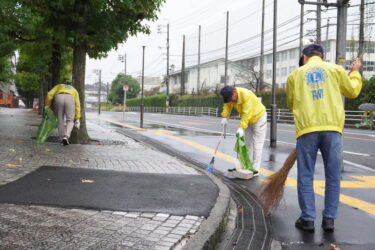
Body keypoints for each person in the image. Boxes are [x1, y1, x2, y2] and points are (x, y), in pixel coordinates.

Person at [286, 44, 362, 232]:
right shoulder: (335, 70)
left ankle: (308, 219)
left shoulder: (295, 75)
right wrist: (355, 72)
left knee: (305, 175)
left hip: (307, 131)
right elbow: (352, 91)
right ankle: (329, 220)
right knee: (333, 175)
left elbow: (291, 103)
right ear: (322, 56)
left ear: (304, 57)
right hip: (332, 129)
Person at [220, 86, 267, 176]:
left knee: (257, 143)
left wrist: (241, 127)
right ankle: (242, 166)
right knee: (245, 143)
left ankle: (255, 169)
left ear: (234, 92)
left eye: (231, 98)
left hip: (259, 118)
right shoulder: (230, 97)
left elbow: (246, 113)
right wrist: (224, 116)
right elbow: (227, 105)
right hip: (248, 119)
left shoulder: (246, 95)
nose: (231, 101)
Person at [45, 81, 81, 146]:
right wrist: (77, 118)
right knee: (70, 120)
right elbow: (78, 105)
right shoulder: (74, 90)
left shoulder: (59, 86)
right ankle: (66, 136)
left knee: (60, 118)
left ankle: (62, 138)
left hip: (59, 96)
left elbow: (49, 94)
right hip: (70, 97)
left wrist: (47, 104)